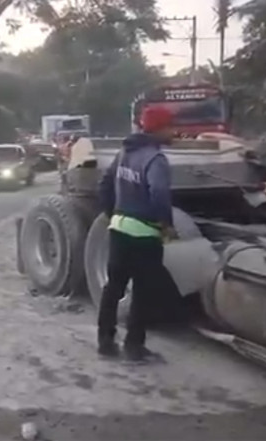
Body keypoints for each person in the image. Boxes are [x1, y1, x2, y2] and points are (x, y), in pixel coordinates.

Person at [96, 105, 178, 363]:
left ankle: (105, 342)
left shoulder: (123, 152)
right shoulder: (155, 159)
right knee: (143, 292)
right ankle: (134, 346)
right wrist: (165, 224)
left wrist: (113, 213)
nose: (174, 131)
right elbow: (160, 193)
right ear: (160, 128)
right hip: (144, 234)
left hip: (119, 229)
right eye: (171, 126)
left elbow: (105, 184)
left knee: (114, 288)